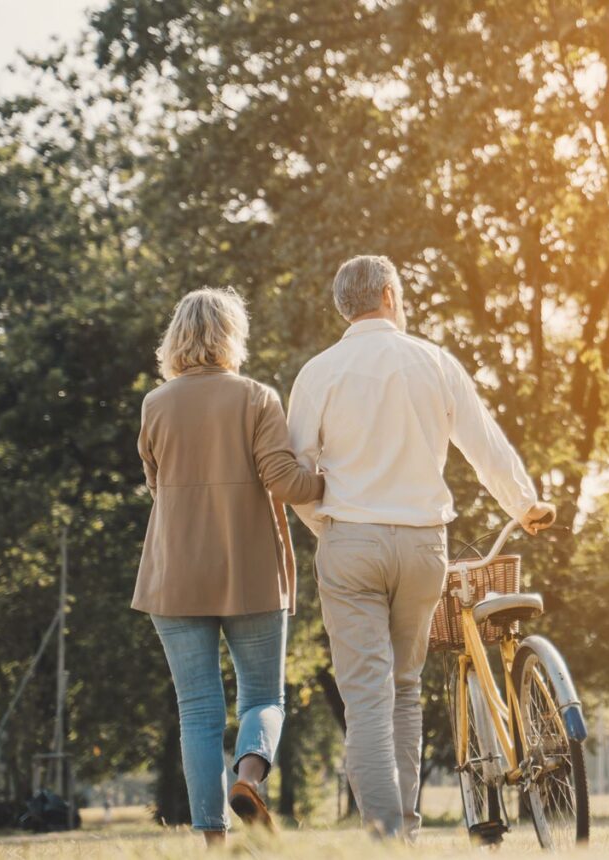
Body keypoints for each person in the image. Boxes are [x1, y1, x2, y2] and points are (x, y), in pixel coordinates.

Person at [287, 255, 555, 840]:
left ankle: (390, 841)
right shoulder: (433, 361)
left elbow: (296, 473)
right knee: (404, 690)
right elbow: (484, 445)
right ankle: (403, 834)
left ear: (345, 306)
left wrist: (328, 529)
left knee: (366, 701)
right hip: (423, 547)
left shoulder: (318, 372)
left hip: (350, 543)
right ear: (388, 295)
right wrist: (524, 505)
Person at [132, 287, 324, 848]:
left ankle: (211, 839)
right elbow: (285, 483)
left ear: (176, 340)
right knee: (263, 697)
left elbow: (155, 485)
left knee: (197, 711)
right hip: (252, 572)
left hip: (175, 575)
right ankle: (247, 779)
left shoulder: (155, 404)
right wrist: (329, 482)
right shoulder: (257, 398)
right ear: (231, 337)